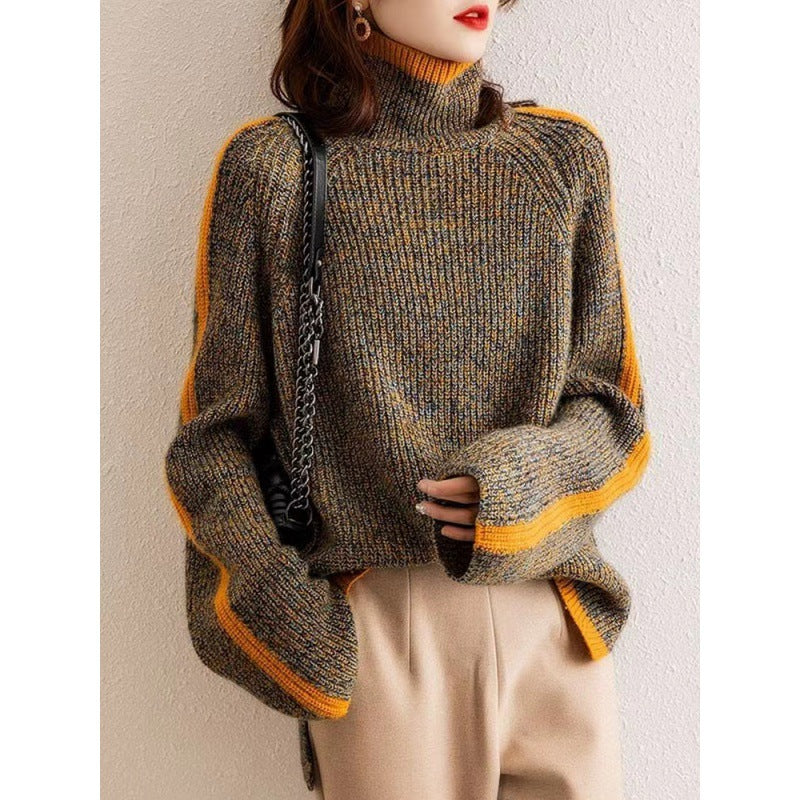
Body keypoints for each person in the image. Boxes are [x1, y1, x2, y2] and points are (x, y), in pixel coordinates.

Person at [163, 1, 653, 798]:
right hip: (383, 638)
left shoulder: (564, 159)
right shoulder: (274, 171)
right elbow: (212, 442)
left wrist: (518, 484)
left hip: (552, 622)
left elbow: (614, 412)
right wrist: (290, 623)